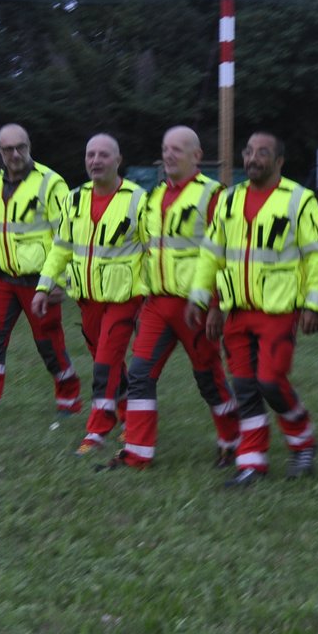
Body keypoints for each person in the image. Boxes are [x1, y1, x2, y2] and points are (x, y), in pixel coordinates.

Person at [187, 131, 318, 488]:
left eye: (262, 153)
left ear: (279, 161)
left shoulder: (299, 200)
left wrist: (314, 303)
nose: (252, 159)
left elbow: (317, 256)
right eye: (249, 152)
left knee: (270, 381)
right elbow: (212, 253)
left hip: (278, 309)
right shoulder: (230, 199)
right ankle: (252, 462)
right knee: (245, 387)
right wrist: (204, 297)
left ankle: (302, 437)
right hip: (237, 309)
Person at [106, 126, 241, 469]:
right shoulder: (154, 196)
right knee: (139, 375)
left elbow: (226, 254)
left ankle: (232, 439)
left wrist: (217, 305)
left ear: (197, 156)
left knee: (208, 377)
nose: (168, 155)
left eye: (177, 149)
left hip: (194, 307)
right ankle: (137, 452)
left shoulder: (213, 196)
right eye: (165, 148)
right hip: (157, 305)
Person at [0, 124, 81, 423]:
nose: (15, 154)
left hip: (39, 282)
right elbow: (0, 229)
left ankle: (69, 399)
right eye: (8, 149)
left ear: (29, 146)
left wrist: (60, 282)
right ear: (0, 152)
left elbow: (69, 237)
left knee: (49, 345)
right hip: (2, 280)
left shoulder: (51, 184)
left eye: (20, 147)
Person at [31, 134, 145, 457]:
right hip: (88, 296)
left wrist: (151, 298)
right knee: (105, 359)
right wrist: (43, 285)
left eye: (103, 155)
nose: (95, 160)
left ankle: (97, 429)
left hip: (125, 297)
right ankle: (129, 415)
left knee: (105, 362)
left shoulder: (138, 199)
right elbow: (61, 247)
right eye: (90, 154)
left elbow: (153, 250)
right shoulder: (75, 198)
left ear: (118, 160)